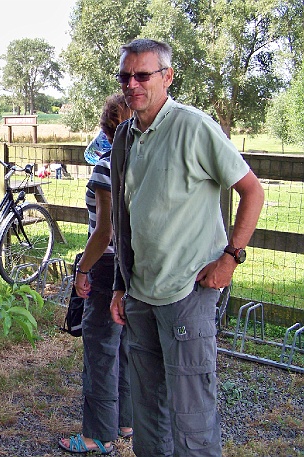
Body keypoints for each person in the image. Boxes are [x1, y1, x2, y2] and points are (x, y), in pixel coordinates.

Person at [109, 39, 265, 457]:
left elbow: (252, 190)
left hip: (188, 292)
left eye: (143, 75)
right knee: (147, 412)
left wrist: (230, 258)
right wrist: (120, 285)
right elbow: (122, 220)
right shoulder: (124, 137)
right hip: (141, 295)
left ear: (167, 77)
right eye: (125, 76)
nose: (132, 84)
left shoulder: (193, 126)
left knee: (192, 415)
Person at [59, 94, 133, 455]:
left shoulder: (106, 165)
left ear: (106, 126)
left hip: (106, 268)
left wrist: (81, 269)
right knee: (126, 346)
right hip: (136, 269)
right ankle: (125, 420)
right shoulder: (144, 160)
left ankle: (98, 436)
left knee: (101, 350)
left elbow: (105, 232)